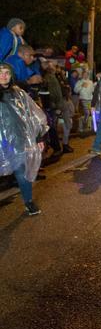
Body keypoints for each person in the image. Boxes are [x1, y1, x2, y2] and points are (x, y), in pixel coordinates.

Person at [0, 62, 48, 215]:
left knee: (22, 173)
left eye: (7, 72)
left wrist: (39, 137)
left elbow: (33, 115)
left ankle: (28, 202)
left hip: (18, 140)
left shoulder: (18, 93)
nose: (3, 75)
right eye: (0, 72)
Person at [61, 86, 75, 153]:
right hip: (67, 119)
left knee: (66, 133)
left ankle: (66, 144)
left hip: (67, 118)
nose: (71, 93)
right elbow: (68, 112)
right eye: (70, 91)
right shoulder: (66, 102)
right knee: (66, 133)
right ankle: (65, 146)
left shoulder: (65, 100)